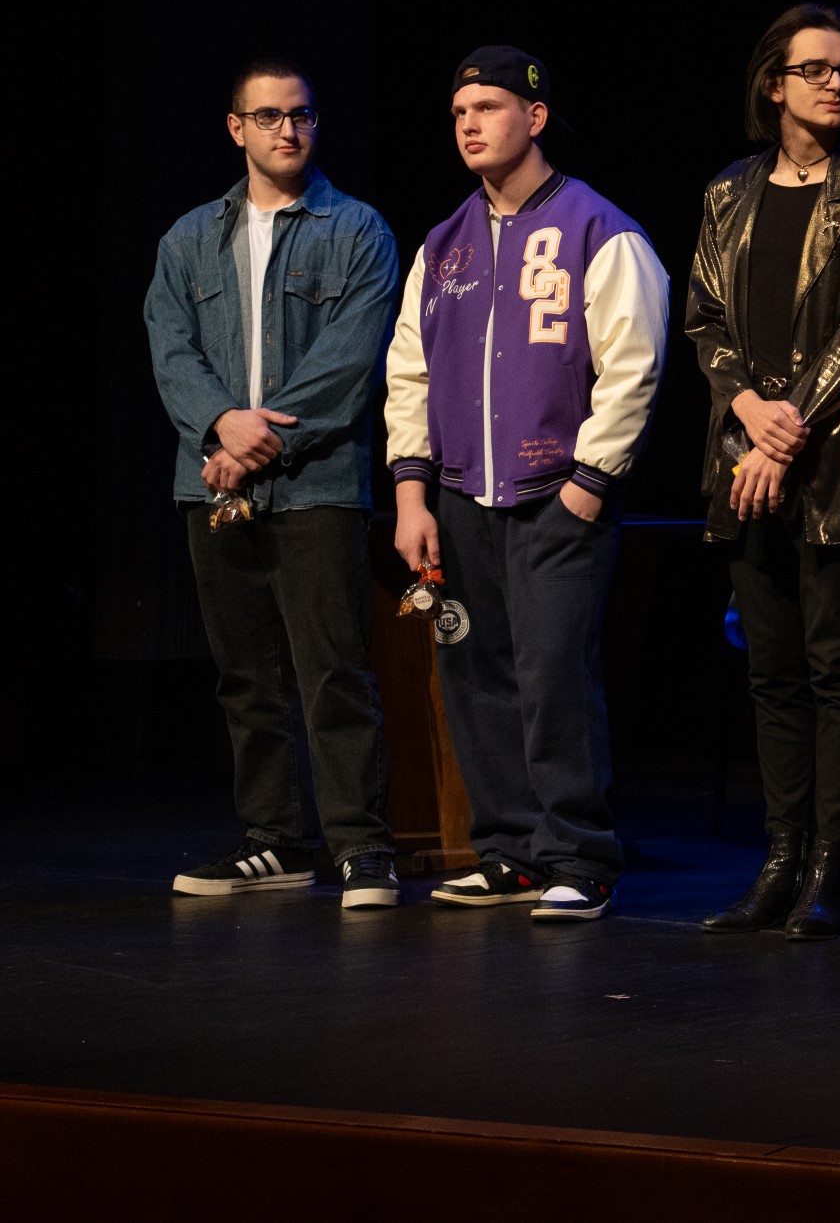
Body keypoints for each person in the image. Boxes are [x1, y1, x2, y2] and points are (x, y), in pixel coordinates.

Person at [385, 46, 669, 924]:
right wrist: (411, 495)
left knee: (553, 674)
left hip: (557, 493)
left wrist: (591, 479)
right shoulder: (444, 245)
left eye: (489, 107)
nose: (469, 124)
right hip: (463, 497)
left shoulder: (597, 228)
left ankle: (578, 855)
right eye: (458, 111)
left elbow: (634, 361)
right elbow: (410, 374)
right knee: (475, 673)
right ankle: (508, 851)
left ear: (535, 116)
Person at [144, 59, 402, 908]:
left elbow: (350, 360)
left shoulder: (356, 229)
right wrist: (220, 422)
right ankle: (274, 838)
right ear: (236, 128)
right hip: (213, 484)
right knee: (246, 676)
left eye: (301, 115)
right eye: (268, 117)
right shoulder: (188, 238)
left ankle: (361, 845)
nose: (287, 131)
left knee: (334, 670)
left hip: (316, 482)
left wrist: (255, 441)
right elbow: (170, 347)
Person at [686, 5, 840, 941]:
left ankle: (831, 868)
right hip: (743, 450)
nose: (836, 83)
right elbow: (705, 317)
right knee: (770, 668)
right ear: (773, 83)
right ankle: (779, 860)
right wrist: (748, 413)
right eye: (815, 69)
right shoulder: (729, 191)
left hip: (835, 451)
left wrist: (785, 433)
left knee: (834, 663)